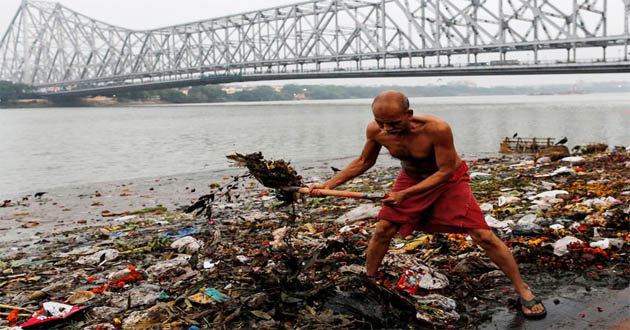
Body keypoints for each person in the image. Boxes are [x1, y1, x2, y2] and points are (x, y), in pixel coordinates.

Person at [309, 90, 546, 318]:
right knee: (383, 229)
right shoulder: (376, 130)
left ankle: (522, 288)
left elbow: (445, 171)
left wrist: (404, 195)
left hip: (448, 179)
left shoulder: (436, 129)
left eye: (393, 123)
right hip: (411, 176)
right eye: (381, 122)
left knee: (482, 235)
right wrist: (329, 185)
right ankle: (369, 282)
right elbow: (363, 161)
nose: (387, 129)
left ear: (409, 114)